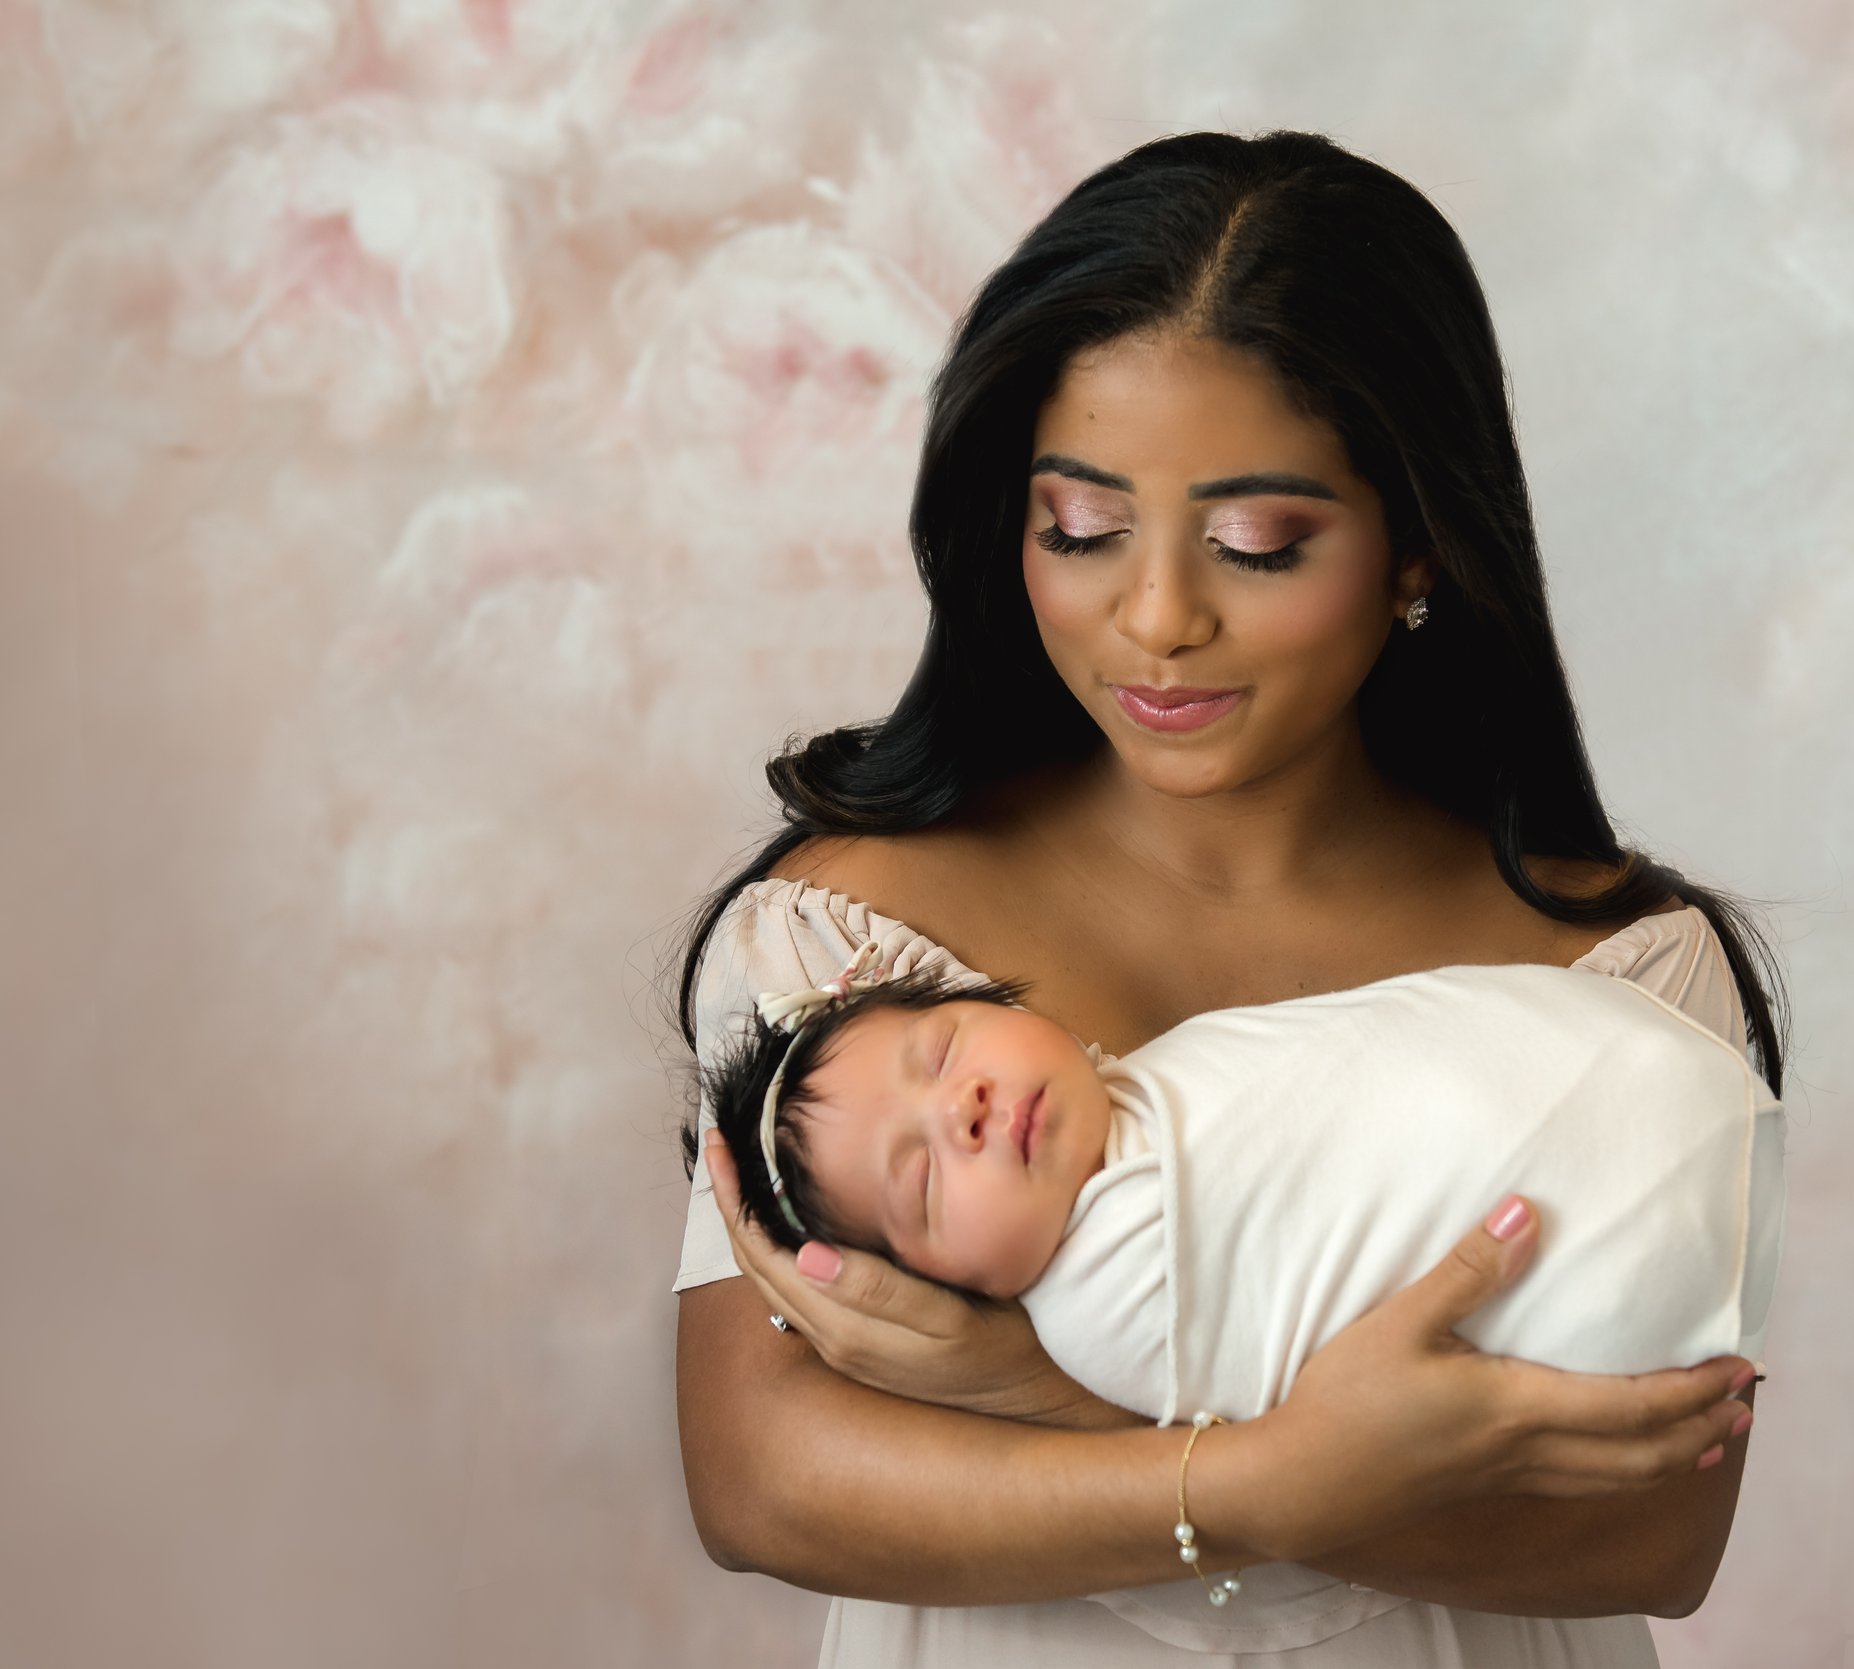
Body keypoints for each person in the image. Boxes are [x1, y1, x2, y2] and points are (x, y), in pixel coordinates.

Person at [670, 128, 1790, 1665]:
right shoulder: (856, 947)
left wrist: (1043, 1402)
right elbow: (759, 1476)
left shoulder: (1607, 973)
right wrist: (1279, 1471)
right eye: (1081, 528)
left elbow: (1653, 1537)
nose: (1156, 616)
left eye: (1259, 542)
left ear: (1417, 545)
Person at [693, 943, 1785, 1435]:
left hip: (1662, 1093)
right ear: (942, 1288)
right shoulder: (1109, 1302)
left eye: (941, 1048)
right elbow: (1291, 1430)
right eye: (923, 1182)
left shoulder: (1142, 1081)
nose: (963, 1108)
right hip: (1619, 1254)